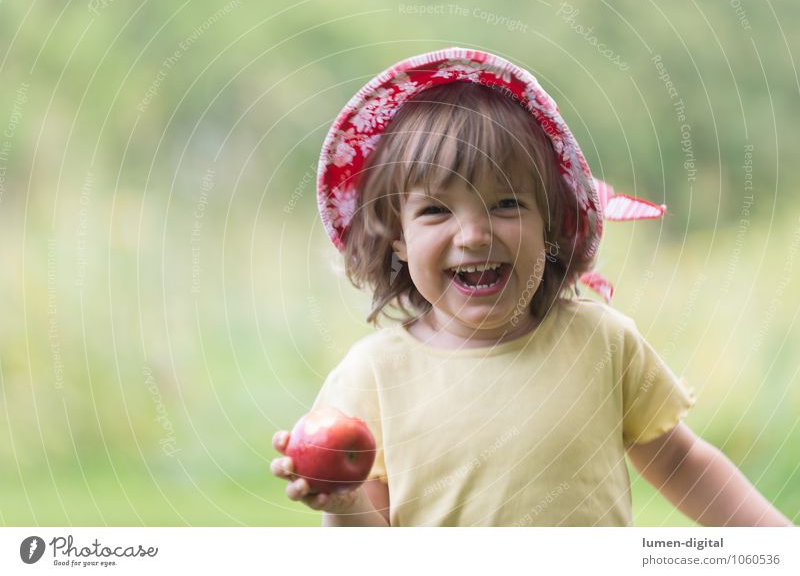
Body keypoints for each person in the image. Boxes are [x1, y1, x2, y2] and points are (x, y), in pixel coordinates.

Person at [270, 48, 793, 527]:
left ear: (552, 223)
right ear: (397, 237)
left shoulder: (601, 342)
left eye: (507, 204)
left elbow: (680, 462)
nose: (474, 235)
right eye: (435, 210)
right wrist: (344, 503)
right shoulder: (373, 377)